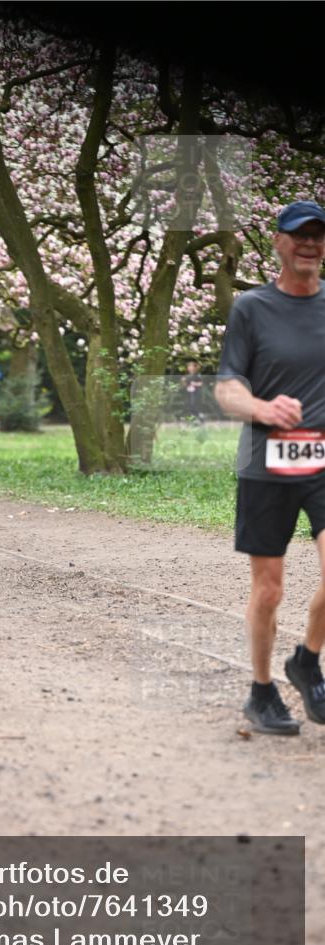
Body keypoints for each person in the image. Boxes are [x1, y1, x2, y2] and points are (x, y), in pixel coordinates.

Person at [215, 200, 325, 735]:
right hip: (267, 461)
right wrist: (263, 408)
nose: (310, 244)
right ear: (278, 243)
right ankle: (261, 691)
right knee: (270, 588)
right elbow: (227, 388)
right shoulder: (251, 309)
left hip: (324, 461)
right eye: (299, 235)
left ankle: (306, 661)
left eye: (318, 236)